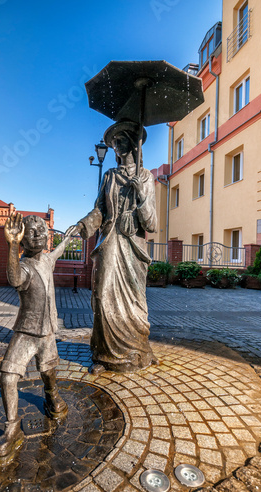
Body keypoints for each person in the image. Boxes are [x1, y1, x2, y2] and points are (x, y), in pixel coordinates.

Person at [0, 213, 77, 464]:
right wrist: (12, 246)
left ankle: (51, 396)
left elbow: (58, 252)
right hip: (27, 333)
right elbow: (14, 278)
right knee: (8, 375)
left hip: (48, 332)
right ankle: (11, 427)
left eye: (42, 230)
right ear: (23, 240)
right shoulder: (25, 266)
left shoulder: (47, 260)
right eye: (31, 232)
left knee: (49, 371)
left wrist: (69, 237)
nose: (38, 234)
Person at [77, 120, 158, 374]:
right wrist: (84, 225)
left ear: (133, 144)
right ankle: (104, 355)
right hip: (111, 240)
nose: (115, 147)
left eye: (120, 141)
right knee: (102, 295)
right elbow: (100, 210)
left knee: (135, 300)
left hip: (133, 244)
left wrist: (141, 197)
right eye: (113, 143)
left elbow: (152, 223)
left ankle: (139, 349)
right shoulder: (110, 176)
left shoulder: (146, 177)